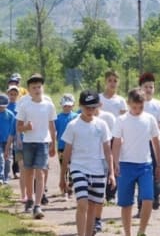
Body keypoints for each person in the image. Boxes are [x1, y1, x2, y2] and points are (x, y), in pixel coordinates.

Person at [59, 90, 115, 236]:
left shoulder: (102, 125)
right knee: (82, 202)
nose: (90, 111)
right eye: (87, 107)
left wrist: (112, 173)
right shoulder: (73, 125)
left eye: (93, 107)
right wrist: (62, 177)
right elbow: (67, 153)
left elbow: (108, 151)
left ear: (98, 106)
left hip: (97, 170)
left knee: (92, 207)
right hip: (78, 169)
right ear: (80, 106)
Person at [112, 87, 160, 236]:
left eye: (141, 107)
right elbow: (116, 142)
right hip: (126, 165)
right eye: (134, 107)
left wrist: (158, 163)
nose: (138, 110)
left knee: (148, 198)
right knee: (126, 203)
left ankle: (141, 231)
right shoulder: (121, 120)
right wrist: (115, 163)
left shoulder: (149, 119)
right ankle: (127, 233)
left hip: (145, 165)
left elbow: (155, 141)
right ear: (128, 104)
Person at [16, 73, 56, 219]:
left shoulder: (49, 105)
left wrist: (53, 144)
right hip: (28, 142)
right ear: (29, 89)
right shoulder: (24, 105)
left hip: (43, 142)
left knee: (40, 173)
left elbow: (52, 126)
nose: (37, 89)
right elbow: (19, 127)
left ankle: (37, 206)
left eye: (39, 86)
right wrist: (26, 126)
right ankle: (29, 198)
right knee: (28, 172)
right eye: (34, 87)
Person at [138, 72, 160, 212]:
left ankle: (156, 195)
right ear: (140, 88)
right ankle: (141, 206)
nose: (149, 89)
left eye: (151, 87)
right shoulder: (137, 104)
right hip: (141, 144)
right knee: (142, 174)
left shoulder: (158, 105)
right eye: (146, 86)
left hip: (157, 143)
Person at [99, 69, 127, 205]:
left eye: (115, 81)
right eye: (110, 80)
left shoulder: (121, 101)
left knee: (115, 162)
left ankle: (111, 192)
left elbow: (125, 119)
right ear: (105, 82)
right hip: (101, 135)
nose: (112, 83)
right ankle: (99, 190)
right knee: (102, 161)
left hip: (115, 136)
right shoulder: (99, 98)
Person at [93, 103, 116, 233]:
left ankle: (97, 219)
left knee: (99, 193)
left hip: (103, 159)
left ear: (100, 105)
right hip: (87, 161)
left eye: (95, 105)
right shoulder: (80, 120)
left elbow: (112, 140)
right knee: (87, 195)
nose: (92, 108)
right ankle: (89, 219)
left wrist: (112, 162)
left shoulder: (108, 118)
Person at [55, 94, 78, 198]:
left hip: (74, 147)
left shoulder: (76, 117)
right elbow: (54, 130)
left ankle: (70, 186)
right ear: (61, 106)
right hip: (61, 146)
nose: (67, 108)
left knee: (73, 167)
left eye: (69, 106)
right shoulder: (58, 118)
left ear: (73, 105)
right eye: (65, 106)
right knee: (63, 167)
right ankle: (64, 189)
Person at [0, 93, 15, 185]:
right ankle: (1, 177)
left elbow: (14, 129)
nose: (1, 108)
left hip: (8, 141)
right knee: (0, 158)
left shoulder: (10, 115)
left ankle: (6, 176)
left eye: (3, 106)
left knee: (7, 159)